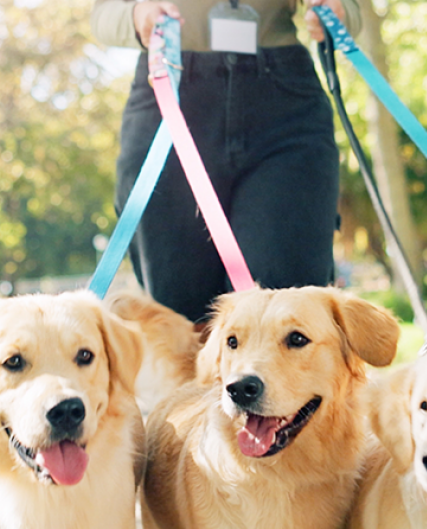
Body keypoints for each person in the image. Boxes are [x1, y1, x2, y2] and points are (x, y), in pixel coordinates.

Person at [91, 0, 362, 325]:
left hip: (283, 101)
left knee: (285, 318)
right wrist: (136, 16)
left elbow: (349, 10)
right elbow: (103, 14)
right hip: (169, 88)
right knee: (180, 326)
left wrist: (339, 11)